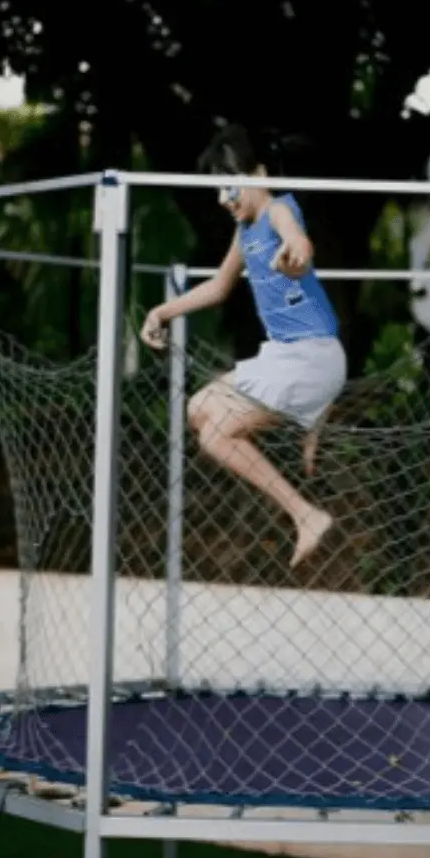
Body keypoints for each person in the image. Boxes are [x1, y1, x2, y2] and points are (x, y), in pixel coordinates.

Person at [140, 124, 347, 569]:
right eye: (217, 190)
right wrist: (162, 312)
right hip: (287, 355)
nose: (223, 200)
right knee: (198, 408)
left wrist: (295, 255)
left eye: (229, 187)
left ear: (258, 173)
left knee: (216, 433)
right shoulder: (246, 231)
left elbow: (298, 240)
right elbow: (218, 286)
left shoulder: (276, 210)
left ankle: (306, 513)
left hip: (311, 358)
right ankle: (308, 427)